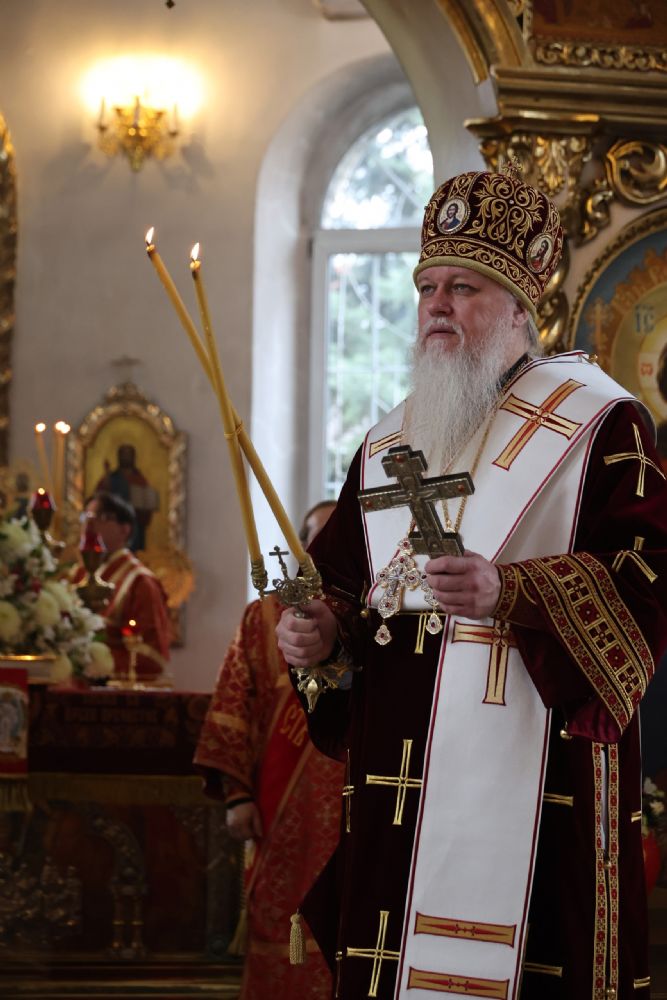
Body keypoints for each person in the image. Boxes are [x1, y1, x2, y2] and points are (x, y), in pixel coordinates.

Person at [276, 166, 667, 999]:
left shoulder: (600, 421)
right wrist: (320, 634)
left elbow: (645, 579)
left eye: (463, 288)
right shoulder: (390, 442)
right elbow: (344, 586)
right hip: (400, 783)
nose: (436, 306)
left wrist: (512, 592)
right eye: (426, 288)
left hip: (539, 772)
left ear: (520, 307)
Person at [194, 500, 343, 1000]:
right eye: (315, 539)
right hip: (282, 808)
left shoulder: (375, 616)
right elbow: (232, 705)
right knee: (281, 913)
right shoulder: (263, 617)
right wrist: (237, 795)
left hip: (354, 801)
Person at [75, 491, 172, 683]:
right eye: (86, 517)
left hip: (112, 691)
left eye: (101, 517)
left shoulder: (141, 583)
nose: (89, 524)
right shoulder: (77, 576)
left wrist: (91, 663)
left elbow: (152, 657)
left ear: (124, 529)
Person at [95, 443, 159, 551]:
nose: (126, 457)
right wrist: (107, 478)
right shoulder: (112, 478)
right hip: (115, 523)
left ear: (133, 457)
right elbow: (99, 499)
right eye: (123, 454)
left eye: (128, 454)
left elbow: (146, 505)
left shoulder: (139, 479)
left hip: (135, 525)